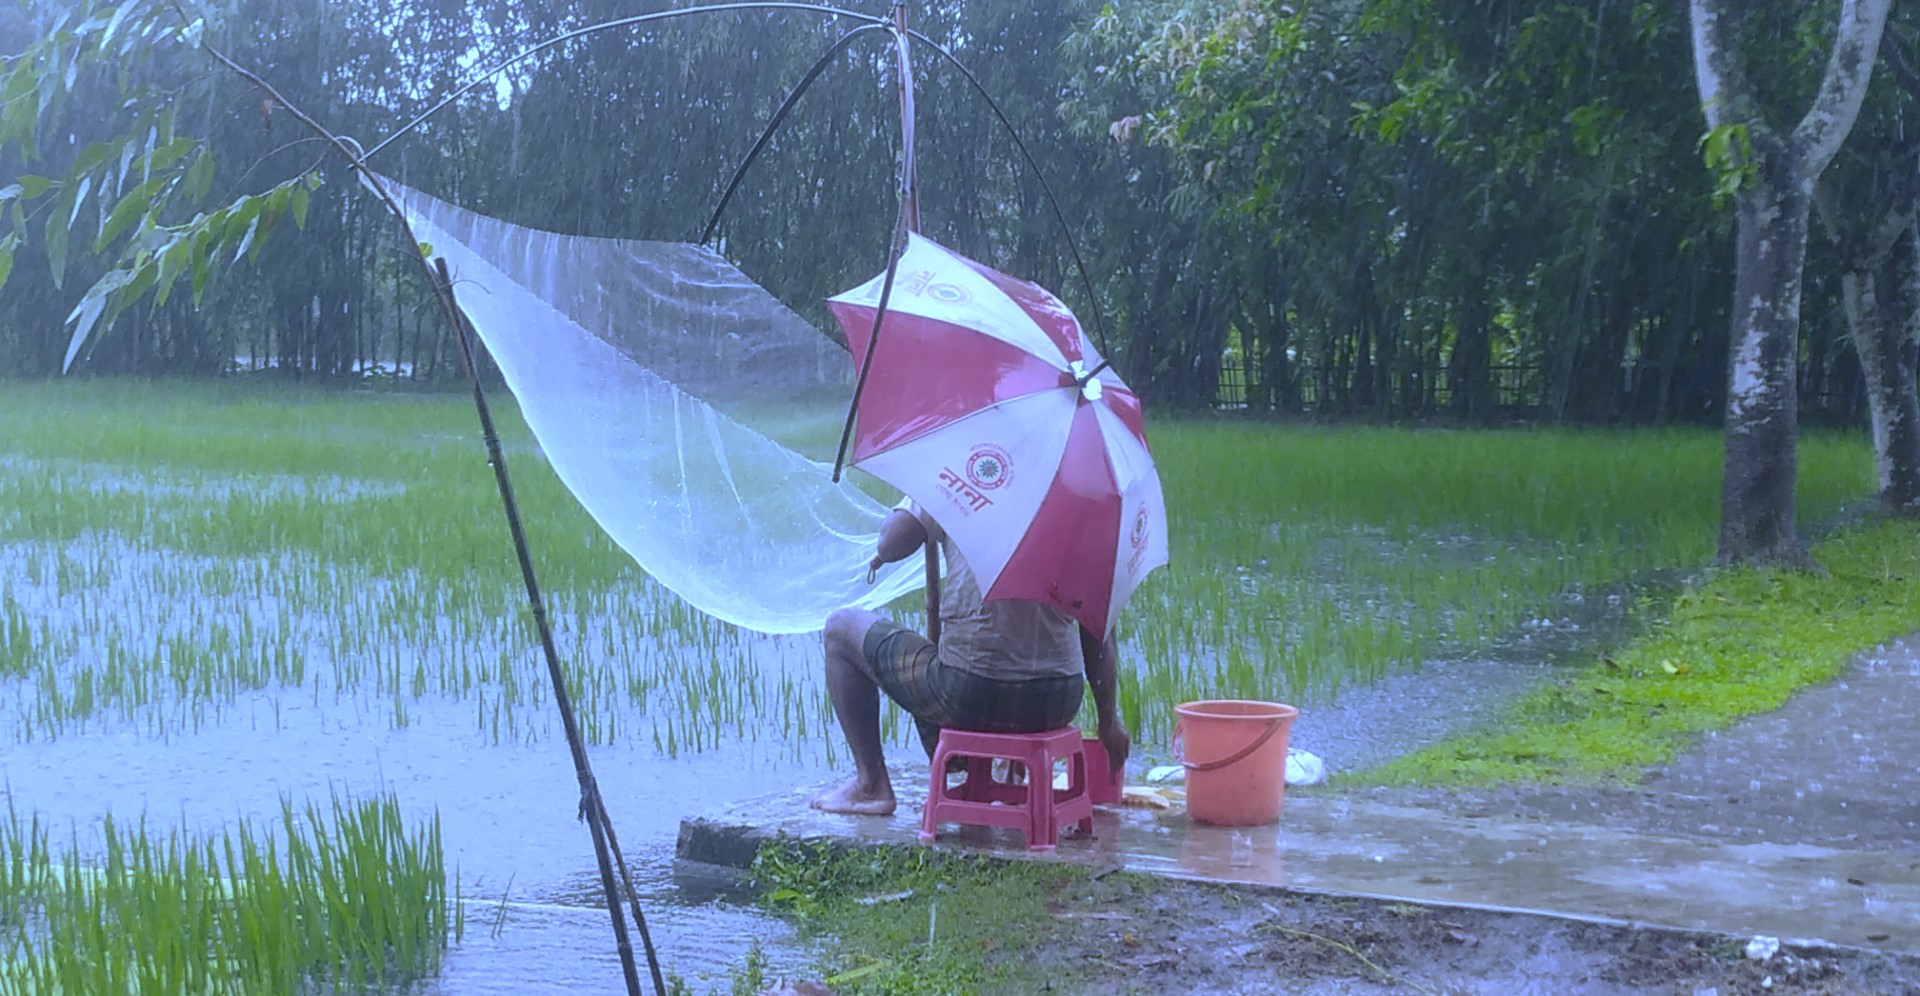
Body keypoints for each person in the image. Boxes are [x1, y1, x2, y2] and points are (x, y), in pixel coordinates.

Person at [811, 501, 1131, 815]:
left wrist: (922, 487)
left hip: (972, 693)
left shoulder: (962, 480)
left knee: (840, 630)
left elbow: (890, 544)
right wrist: (1108, 722)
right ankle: (993, 772)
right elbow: (1099, 631)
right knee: (944, 662)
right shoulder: (1077, 503)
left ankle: (871, 786)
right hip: (1058, 700)